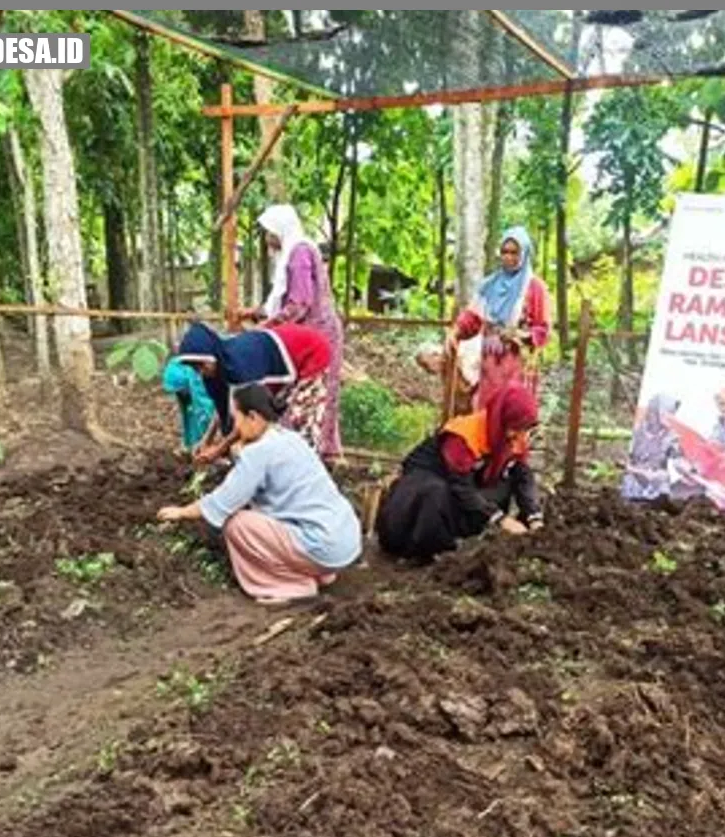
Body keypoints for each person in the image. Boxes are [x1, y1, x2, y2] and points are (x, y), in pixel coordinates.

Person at [157, 384, 362, 604]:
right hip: (345, 538)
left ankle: (291, 586)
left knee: (237, 524)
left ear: (253, 417)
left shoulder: (259, 453)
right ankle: (319, 572)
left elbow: (223, 502)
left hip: (321, 546)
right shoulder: (290, 438)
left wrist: (181, 512)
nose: (235, 427)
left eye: (237, 419)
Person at [376, 383, 542, 562]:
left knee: (500, 489)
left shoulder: (514, 437)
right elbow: (461, 486)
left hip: (463, 481)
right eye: (516, 428)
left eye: (526, 429)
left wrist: (534, 517)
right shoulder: (463, 437)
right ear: (501, 420)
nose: (521, 436)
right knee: (435, 495)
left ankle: (475, 537)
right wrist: (501, 520)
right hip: (429, 478)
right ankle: (427, 552)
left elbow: (523, 475)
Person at [244, 204, 345, 461]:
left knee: (313, 398)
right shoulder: (296, 251)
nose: (267, 239)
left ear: (280, 230)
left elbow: (299, 304)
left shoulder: (299, 254)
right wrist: (259, 314)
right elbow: (284, 301)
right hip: (306, 337)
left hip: (317, 336)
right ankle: (307, 454)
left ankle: (310, 456)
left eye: (269, 232)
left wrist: (266, 328)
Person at [175, 321, 331, 463]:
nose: (200, 372)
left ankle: (306, 474)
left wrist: (220, 448)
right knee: (262, 435)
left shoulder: (239, 365)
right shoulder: (218, 367)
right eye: (195, 368)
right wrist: (206, 440)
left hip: (310, 353)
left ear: (212, 355)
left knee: (300, 426)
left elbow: (251, 412)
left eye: (202, 365)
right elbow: (222, 406)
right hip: (278, 363)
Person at [451, 226, 550, 409]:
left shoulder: (535, 288)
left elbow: (542, 330)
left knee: (512, 413)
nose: (508, 257)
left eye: (514, 252)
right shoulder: (489, 285)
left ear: (525, 254)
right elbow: (472, 317)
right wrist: (455, 332)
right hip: (490, 361)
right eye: (504, 252)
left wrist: (519, 334)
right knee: (487, 411)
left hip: (518, 362)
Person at [664, 385, 725, 515]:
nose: (723, 410)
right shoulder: (722, 426)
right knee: (674, 492)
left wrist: (697, 474)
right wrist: (689, 464)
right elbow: (711, 452)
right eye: (720, 406)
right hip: (711, 480)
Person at [621, 393, 688, 501]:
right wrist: (637, 471)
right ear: (655, 411)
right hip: (633, 476)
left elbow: (678, 459)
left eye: (672, 413)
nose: (670, 416)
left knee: (662, 477)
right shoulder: (637, 432)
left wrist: (688, 470)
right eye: (667, 412)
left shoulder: (670, 436)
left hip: (657, 482)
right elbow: (623, 460)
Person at [161, 357, 216, 455]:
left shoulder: (203, 388)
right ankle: (192, 444)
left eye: (181, 391)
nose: (180, 394)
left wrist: (207, 443)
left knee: (203, 413)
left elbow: (210, 415)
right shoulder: (179, 367)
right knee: (190, 412)